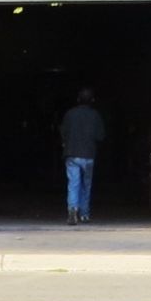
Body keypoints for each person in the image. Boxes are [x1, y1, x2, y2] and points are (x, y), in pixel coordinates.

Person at [60, 88, 105, 224]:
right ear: (92, 101)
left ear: (78, 100)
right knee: (86, 185)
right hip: (88, 154)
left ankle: (72, 209)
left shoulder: (69, 114)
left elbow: (63, 132)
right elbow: (101, 136)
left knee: (73, 183)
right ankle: (84, 214)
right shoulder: (95, 115)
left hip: (72, 153)